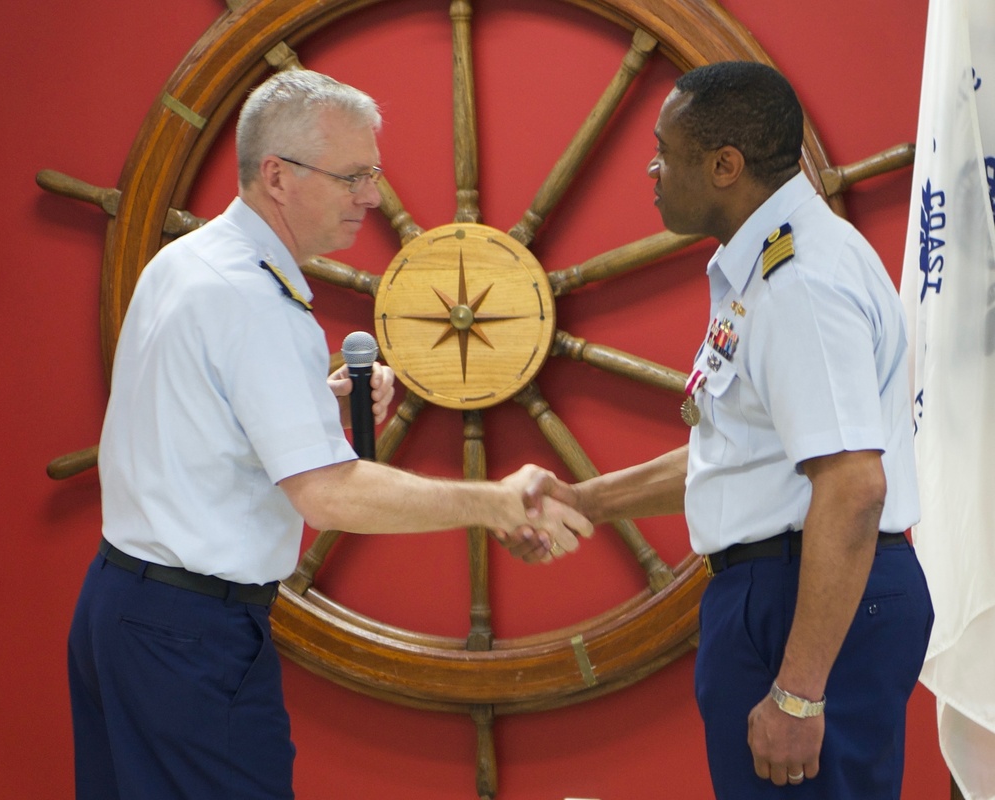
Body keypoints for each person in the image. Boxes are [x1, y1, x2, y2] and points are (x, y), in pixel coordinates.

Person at [67, 69, 591, 800]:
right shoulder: (255, 299)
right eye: (352, 177)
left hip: (123, 605)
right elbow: (330, 495)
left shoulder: (190, 261)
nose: (371, 198)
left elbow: (193, 417)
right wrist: (493, 502)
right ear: (276, 176)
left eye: (373, 175)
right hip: (190, 637)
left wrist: (311, 405)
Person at [518, 61, 933, 799]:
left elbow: (854, 486)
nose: (652, 168)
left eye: (664, 151)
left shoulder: (798, 284)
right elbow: (745, 457)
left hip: (805, 597)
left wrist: (800, 693)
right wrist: (585, 502)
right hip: (786, 587)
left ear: (724, 165)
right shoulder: (770, 268)